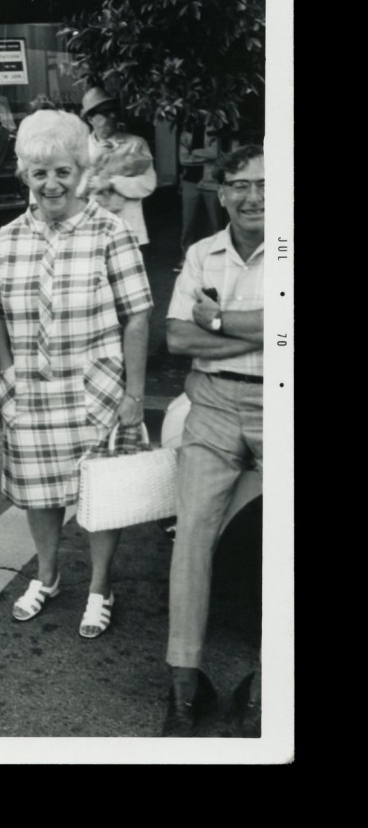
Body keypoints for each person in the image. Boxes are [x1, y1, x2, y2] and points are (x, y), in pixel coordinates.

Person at [0, 110, 153, 638]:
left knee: (102, 495)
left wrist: (134, 393)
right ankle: (48, 576)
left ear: (80, 170)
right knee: (39, 494)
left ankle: (101, 587)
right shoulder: (10, 236)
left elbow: (138, 312)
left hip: (96, 391)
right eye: (39, 173)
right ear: (25, 176)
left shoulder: (110, 229)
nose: (51, 183)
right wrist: (7, 374)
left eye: (62, 171)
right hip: (32, 392)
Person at [162, 144, 265, 737]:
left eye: (267, 185)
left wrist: (219, 322)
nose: (254, 197)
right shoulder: (203, 253)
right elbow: (176, 340)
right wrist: (263, 334)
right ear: (220, 192)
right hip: (213, 404)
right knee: (191, 535)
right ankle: (182, 687)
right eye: (240, 184)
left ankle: (270, 683)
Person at [78, 87, 157, 246]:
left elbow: (148, 183)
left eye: (113, 111)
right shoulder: (79, 148)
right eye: (105, 113)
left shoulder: (135, 144)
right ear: (91, 119)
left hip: (126, 223)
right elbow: (74, 191)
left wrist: (113, 182)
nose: (112, 117)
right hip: (92, 227)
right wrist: (93, 160)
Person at [176, 128, 222, 271]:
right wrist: (205, 155)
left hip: (211, 180)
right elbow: (183, 159)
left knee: (216, 223)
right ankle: (187, 258)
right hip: (190, 182)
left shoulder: (213, 129)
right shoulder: (186, 131)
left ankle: (218, 258)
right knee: (188, 223)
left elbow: (214, 153)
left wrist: (193, 152)